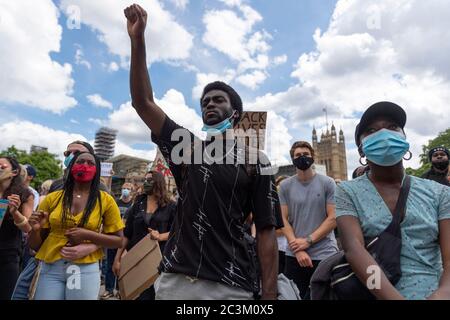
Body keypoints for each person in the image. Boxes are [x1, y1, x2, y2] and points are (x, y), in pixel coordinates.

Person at [124, 3, 282, 300]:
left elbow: (266, 230)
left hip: (231, 286)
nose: (209, 103)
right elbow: (143, 102)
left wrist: (270, 295)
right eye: (205, 101)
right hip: (177, 282)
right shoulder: (187, 148)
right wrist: (137, 40)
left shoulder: (256, 160)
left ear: (235, 114)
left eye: (218, 99)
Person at [336, 101, 450, 300]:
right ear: (362, 150)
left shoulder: (439, 193)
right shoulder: (347, 191)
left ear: (404, 139)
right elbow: (354, 250)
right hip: (377, 293)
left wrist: (444, 292)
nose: (384, 134)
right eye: (371, 130)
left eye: (392, 127)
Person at [28, 151, 124, 300]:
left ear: (97, 171)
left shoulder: (105, 200)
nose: (85, 166)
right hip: (51, 268)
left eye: (90, 163)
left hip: (83, 268)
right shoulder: (52, 198)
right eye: (80, 162)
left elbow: (118, 241)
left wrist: (87, 235)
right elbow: (35, 246)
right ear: (72, 166)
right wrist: (35, 230)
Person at [280, 141, 338, 299]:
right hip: (295, 254)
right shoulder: (285, 186)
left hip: (324, 253)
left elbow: (333, 218)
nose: (302, 157)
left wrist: (308, 241)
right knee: (291, 295)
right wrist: (298, 248)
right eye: (297, 155)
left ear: (313, 156)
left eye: (305, 154)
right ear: (292, 159)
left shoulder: (328, 183)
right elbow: (282, 219)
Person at [113, 170, 176, 300]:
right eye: (144, 180)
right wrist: (117, 259)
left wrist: (160, 236)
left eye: (149, 180)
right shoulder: (137, 205)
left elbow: (178, 232)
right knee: (131, 295)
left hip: (157, 261)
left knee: (150, 296)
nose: (145, 183)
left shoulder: (171, 207)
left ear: (158, 183)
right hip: (135, 259)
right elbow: (127, 234)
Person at [0, 157, 33, 300]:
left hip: (7, 255)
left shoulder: (24, 195)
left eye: (2, 166)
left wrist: (15, 212)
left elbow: (28, 228)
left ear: (14, 172)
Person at [101, 182, 134, 299]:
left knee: (123, 265)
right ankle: (109, 289)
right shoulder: (115, 203)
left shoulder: (133, 205)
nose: (125, 190)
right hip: (114, 237)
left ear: (132, 191)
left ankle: (120, 290)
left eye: (128, 188)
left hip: (126, 239)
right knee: (110, 264)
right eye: (124, 188)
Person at [275, 175, 289, 275]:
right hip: (277, 249)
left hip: (292, 250)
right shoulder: (272, 204)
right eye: (280, 185)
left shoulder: (294, 204)